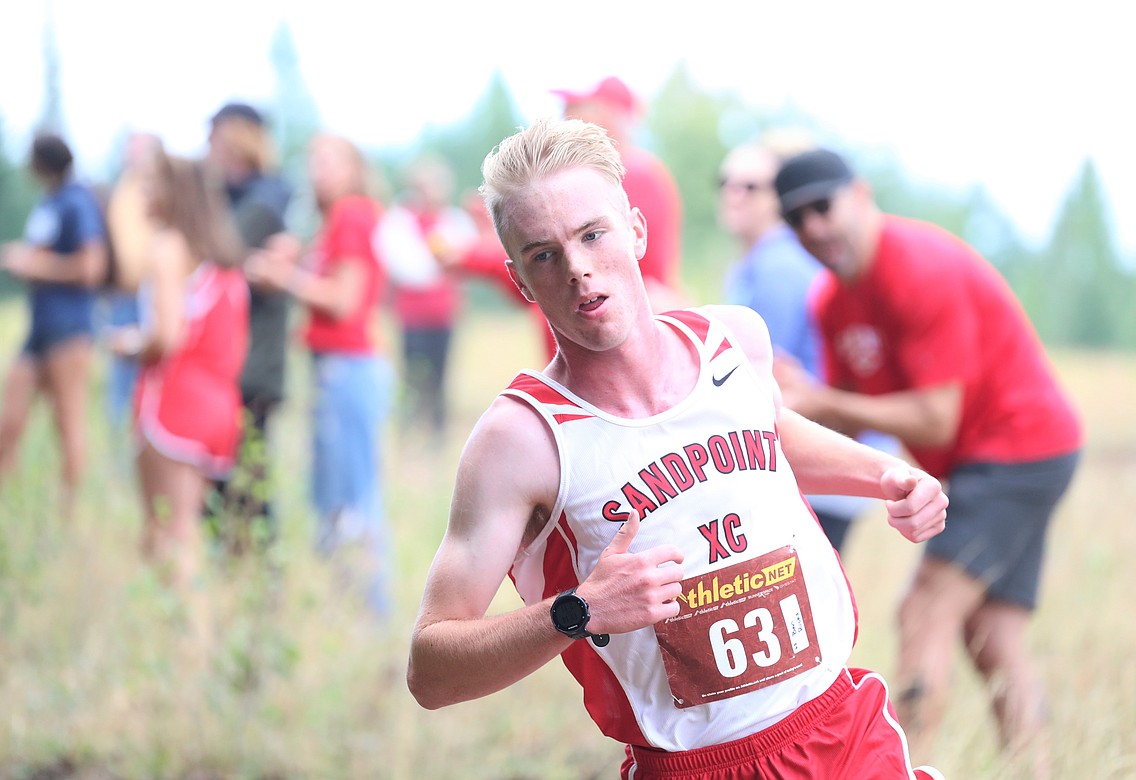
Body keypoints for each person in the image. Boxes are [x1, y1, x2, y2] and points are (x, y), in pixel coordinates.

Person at [407, 118, 949, 779]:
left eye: (592, 234)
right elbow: (430, 670)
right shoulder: (519, 441)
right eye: (544, 254)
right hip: (696, 765)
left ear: (635, 229)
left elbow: (765, 432)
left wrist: (887, 475)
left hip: (841, 730)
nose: (577, 268)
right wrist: (577, 611)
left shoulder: (734, 341)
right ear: (519, 278)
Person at [772, 148, 1082, 777]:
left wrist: (822, 398)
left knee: (924, 610)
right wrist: (781, 405)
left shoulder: (919, 266)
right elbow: (854, 416)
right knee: (993, 635)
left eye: (822, 207)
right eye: (795, 219)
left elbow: (937, 416)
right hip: (983, 461)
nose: (813, 229)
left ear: (860, 194)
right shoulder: (832, 302)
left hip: (1018, 450)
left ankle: (907, 771)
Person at [719, 133, 899, 555]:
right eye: (725, 182)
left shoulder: (779, 265)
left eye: (751, 186)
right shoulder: (763, 260)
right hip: (820, 447)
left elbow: (743, 376)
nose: (734, 194)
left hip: (813, 454)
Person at [245, 132, 394, 617]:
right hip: (339, 369)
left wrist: (283, 278)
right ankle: (354, 614)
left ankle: (368, 619)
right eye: (311, 159)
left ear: (354, 168)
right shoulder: (333, 220)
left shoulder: (351, 213)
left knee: (350, 502)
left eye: (328, 160)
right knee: (344, 496)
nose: (316, 169)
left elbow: (344, 301)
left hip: (347, 370)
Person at [108, 154, 250, 590]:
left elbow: (167, 336)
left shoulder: (167, 247)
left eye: (150, 184)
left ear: (175, 192)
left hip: (173, 402)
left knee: (165, 533)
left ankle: (183, 642)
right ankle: (197, 634)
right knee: (186, 529)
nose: (141, 194)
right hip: (218, 404)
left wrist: (130, 344)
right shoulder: (222, 258)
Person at [0, 133, 108, 520]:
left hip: (69, 329)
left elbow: (92, 266)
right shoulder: (50, 201)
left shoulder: (78, 202)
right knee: (9, 418)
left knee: (69, 424)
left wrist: (35, 266)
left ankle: (70, 518)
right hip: (39, 328)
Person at [204, 101, 293, 554]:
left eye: (214, 137)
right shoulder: (239, 198)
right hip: (234, 364)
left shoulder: (266, 198)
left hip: (253, 366)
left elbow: (217, 250)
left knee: (246, 485)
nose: (207, 148)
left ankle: (259, 583)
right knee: (227, 481)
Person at [554, 76, 688, 313]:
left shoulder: (630, 176)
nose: (565, 117)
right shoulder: (607, 174)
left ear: (611, 115)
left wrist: (474, 254)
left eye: (577, 108)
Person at [377, 154, 477, 441]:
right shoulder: (401, 221)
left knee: (440, 376)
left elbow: (463, 265)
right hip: (412, 314)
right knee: (412, 375)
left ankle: (436, 433)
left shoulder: (452, 220)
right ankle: (409, 432)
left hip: (443, 312)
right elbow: (405, 267)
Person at [101, 131, 165, 433]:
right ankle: (121, 453)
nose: (131, 155)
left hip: (152, 294)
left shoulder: (162, 191)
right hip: (123, 296)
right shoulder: (123, 191)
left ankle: (149, 439)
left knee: (150, 374)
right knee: (121, 378)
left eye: (137, 149)